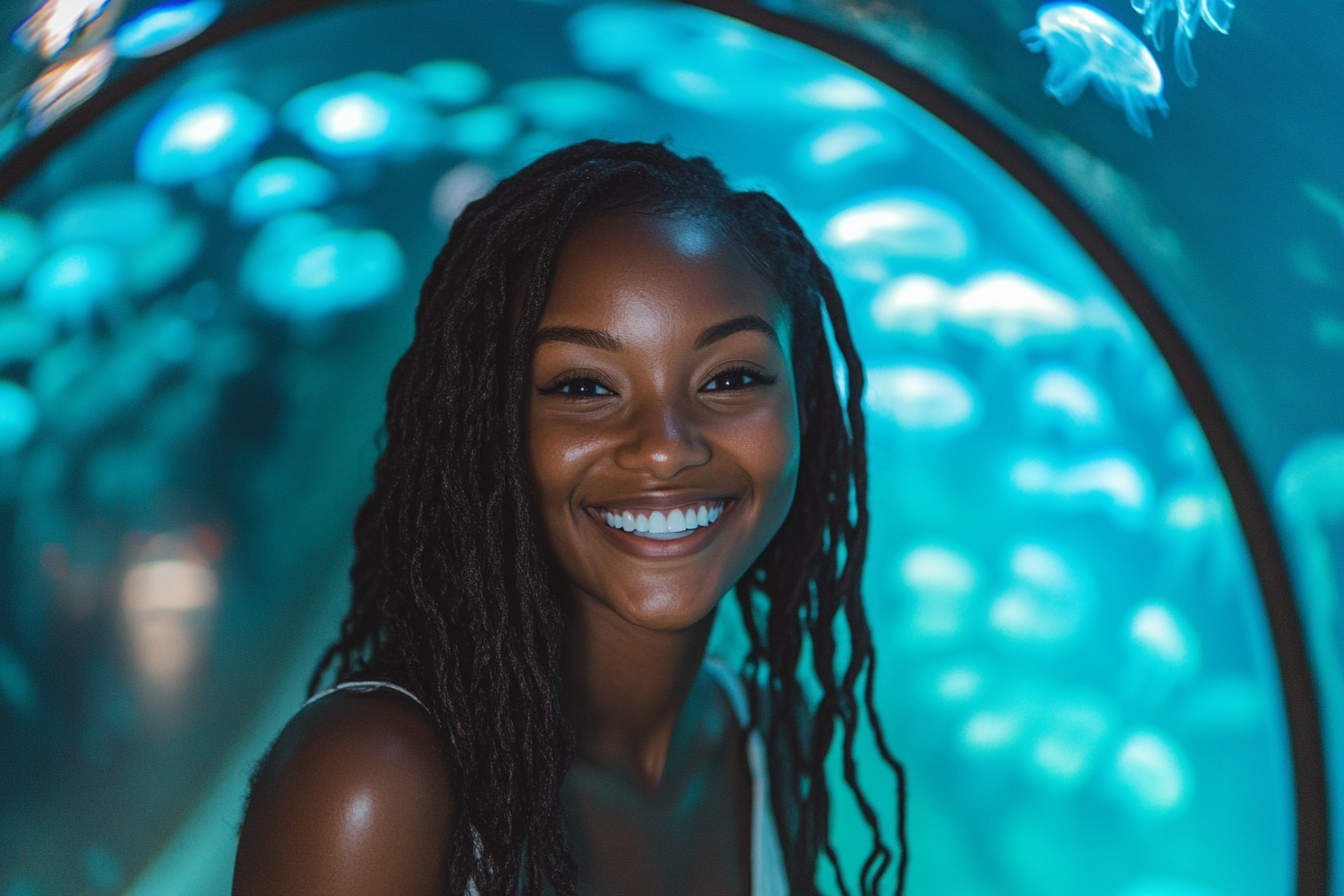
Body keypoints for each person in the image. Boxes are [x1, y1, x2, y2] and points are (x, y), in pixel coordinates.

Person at [232, 140, 906, 896]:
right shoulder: (370, 778)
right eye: (585, 387)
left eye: (732, 377)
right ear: (489, 427)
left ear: (805, 404)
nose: (664, 448)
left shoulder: (763, 743)